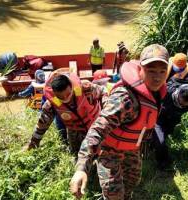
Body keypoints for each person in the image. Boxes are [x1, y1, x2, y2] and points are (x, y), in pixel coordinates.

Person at [70, 44, 169, 200]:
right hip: (110, 151)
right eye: (151, 71)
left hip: (131, 150)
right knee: (114, 193)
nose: (157, 77)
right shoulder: (125, 99)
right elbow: (97, 130)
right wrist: (82, 168)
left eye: (162, 71)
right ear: (140, 69)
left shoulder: (156, 92)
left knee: (132, 182)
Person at [23, 69, 108, 155]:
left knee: (101, 153)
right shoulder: (51, 104)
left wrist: (106, 113)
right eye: (61, 97)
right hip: (75, 133)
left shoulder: (86, 89)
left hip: (96, 126)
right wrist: (34, 142)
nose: (66, 99)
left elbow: (103, 92)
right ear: (55, 94)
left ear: (71, 87)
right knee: (76, 155)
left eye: (68, 94)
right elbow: (42, 125)